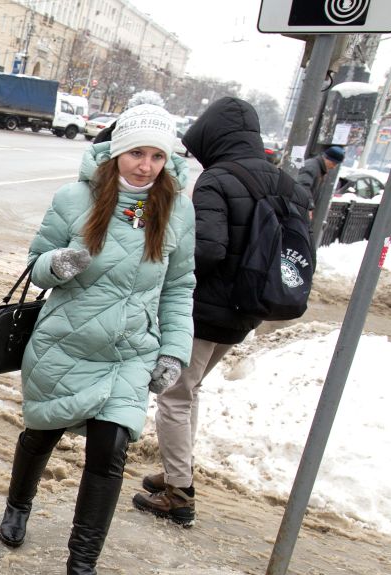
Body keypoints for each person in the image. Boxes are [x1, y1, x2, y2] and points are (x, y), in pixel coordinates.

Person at [0, 103, 196, 575]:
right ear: (116, 152)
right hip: (66, 343)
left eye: (156, 156)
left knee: (110, 453)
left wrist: (174, 350)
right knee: (41, 433)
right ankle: (18, 506)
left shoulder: (176, 211)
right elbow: (35, 267)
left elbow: (178, 288)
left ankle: (81, 567)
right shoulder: (74, 199)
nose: (145, 165)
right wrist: (56, 264)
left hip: (130, 353)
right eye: (136, 153)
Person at [132, 97, 311, 527]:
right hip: (249, 309)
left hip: (206, 310)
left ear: (215, 136)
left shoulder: (219, 179)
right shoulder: (288, 184)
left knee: (174, 395)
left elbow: (207, 250)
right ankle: (179, 471)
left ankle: (179, 493)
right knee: (191, 391)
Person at [296, 145, 344, 209]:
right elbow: (303, 186)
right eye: (333, 163)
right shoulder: (312, 167)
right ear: (327, 159)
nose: (333, 167)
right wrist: (309, 206)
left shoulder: (318, 167)